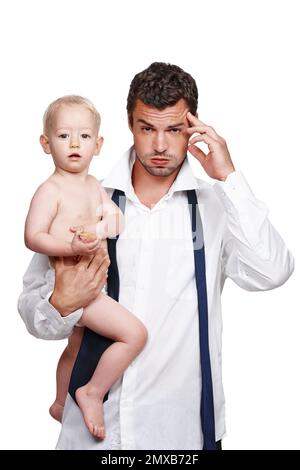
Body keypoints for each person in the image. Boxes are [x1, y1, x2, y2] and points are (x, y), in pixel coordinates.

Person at [18, 63, 294, 450]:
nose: (161, 146)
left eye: (174, 129)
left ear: (193, 128)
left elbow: (273, 271)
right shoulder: (88, 198)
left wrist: (228, 177)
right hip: (92, 438)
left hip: (180, 435)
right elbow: (34, 311)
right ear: (130, 125)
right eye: (148, 128)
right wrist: (60, 304)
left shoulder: (216, 207)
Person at [23, 95, 148, 440]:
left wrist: (99, 229)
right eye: (64, 136)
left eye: (84, 136)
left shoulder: (95, 187)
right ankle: (91, 391)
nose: (75, 144)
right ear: (46, 144)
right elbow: (33, 237)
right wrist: (71, 246)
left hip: (92, 283)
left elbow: (117, 220)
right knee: (135, 334)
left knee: (76, 347)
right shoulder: (51, 190)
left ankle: (61, 400)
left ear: (99, 144)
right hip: (74, 283)